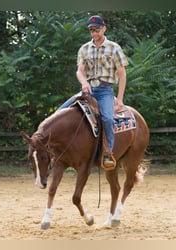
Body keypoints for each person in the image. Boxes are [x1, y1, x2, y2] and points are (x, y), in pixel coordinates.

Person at [59, 15, 128, 169]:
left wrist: (120, 99)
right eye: (91, 30)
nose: (94, 33)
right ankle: (59, 152)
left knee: (108, 119)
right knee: (60, 112)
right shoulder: (84, 49)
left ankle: (108, 153)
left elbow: (122, 74)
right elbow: (80, 71)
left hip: (105, 91)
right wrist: (84, 82)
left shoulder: (114, 48)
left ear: (103, 28)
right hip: (88, 90)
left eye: (96, 30)